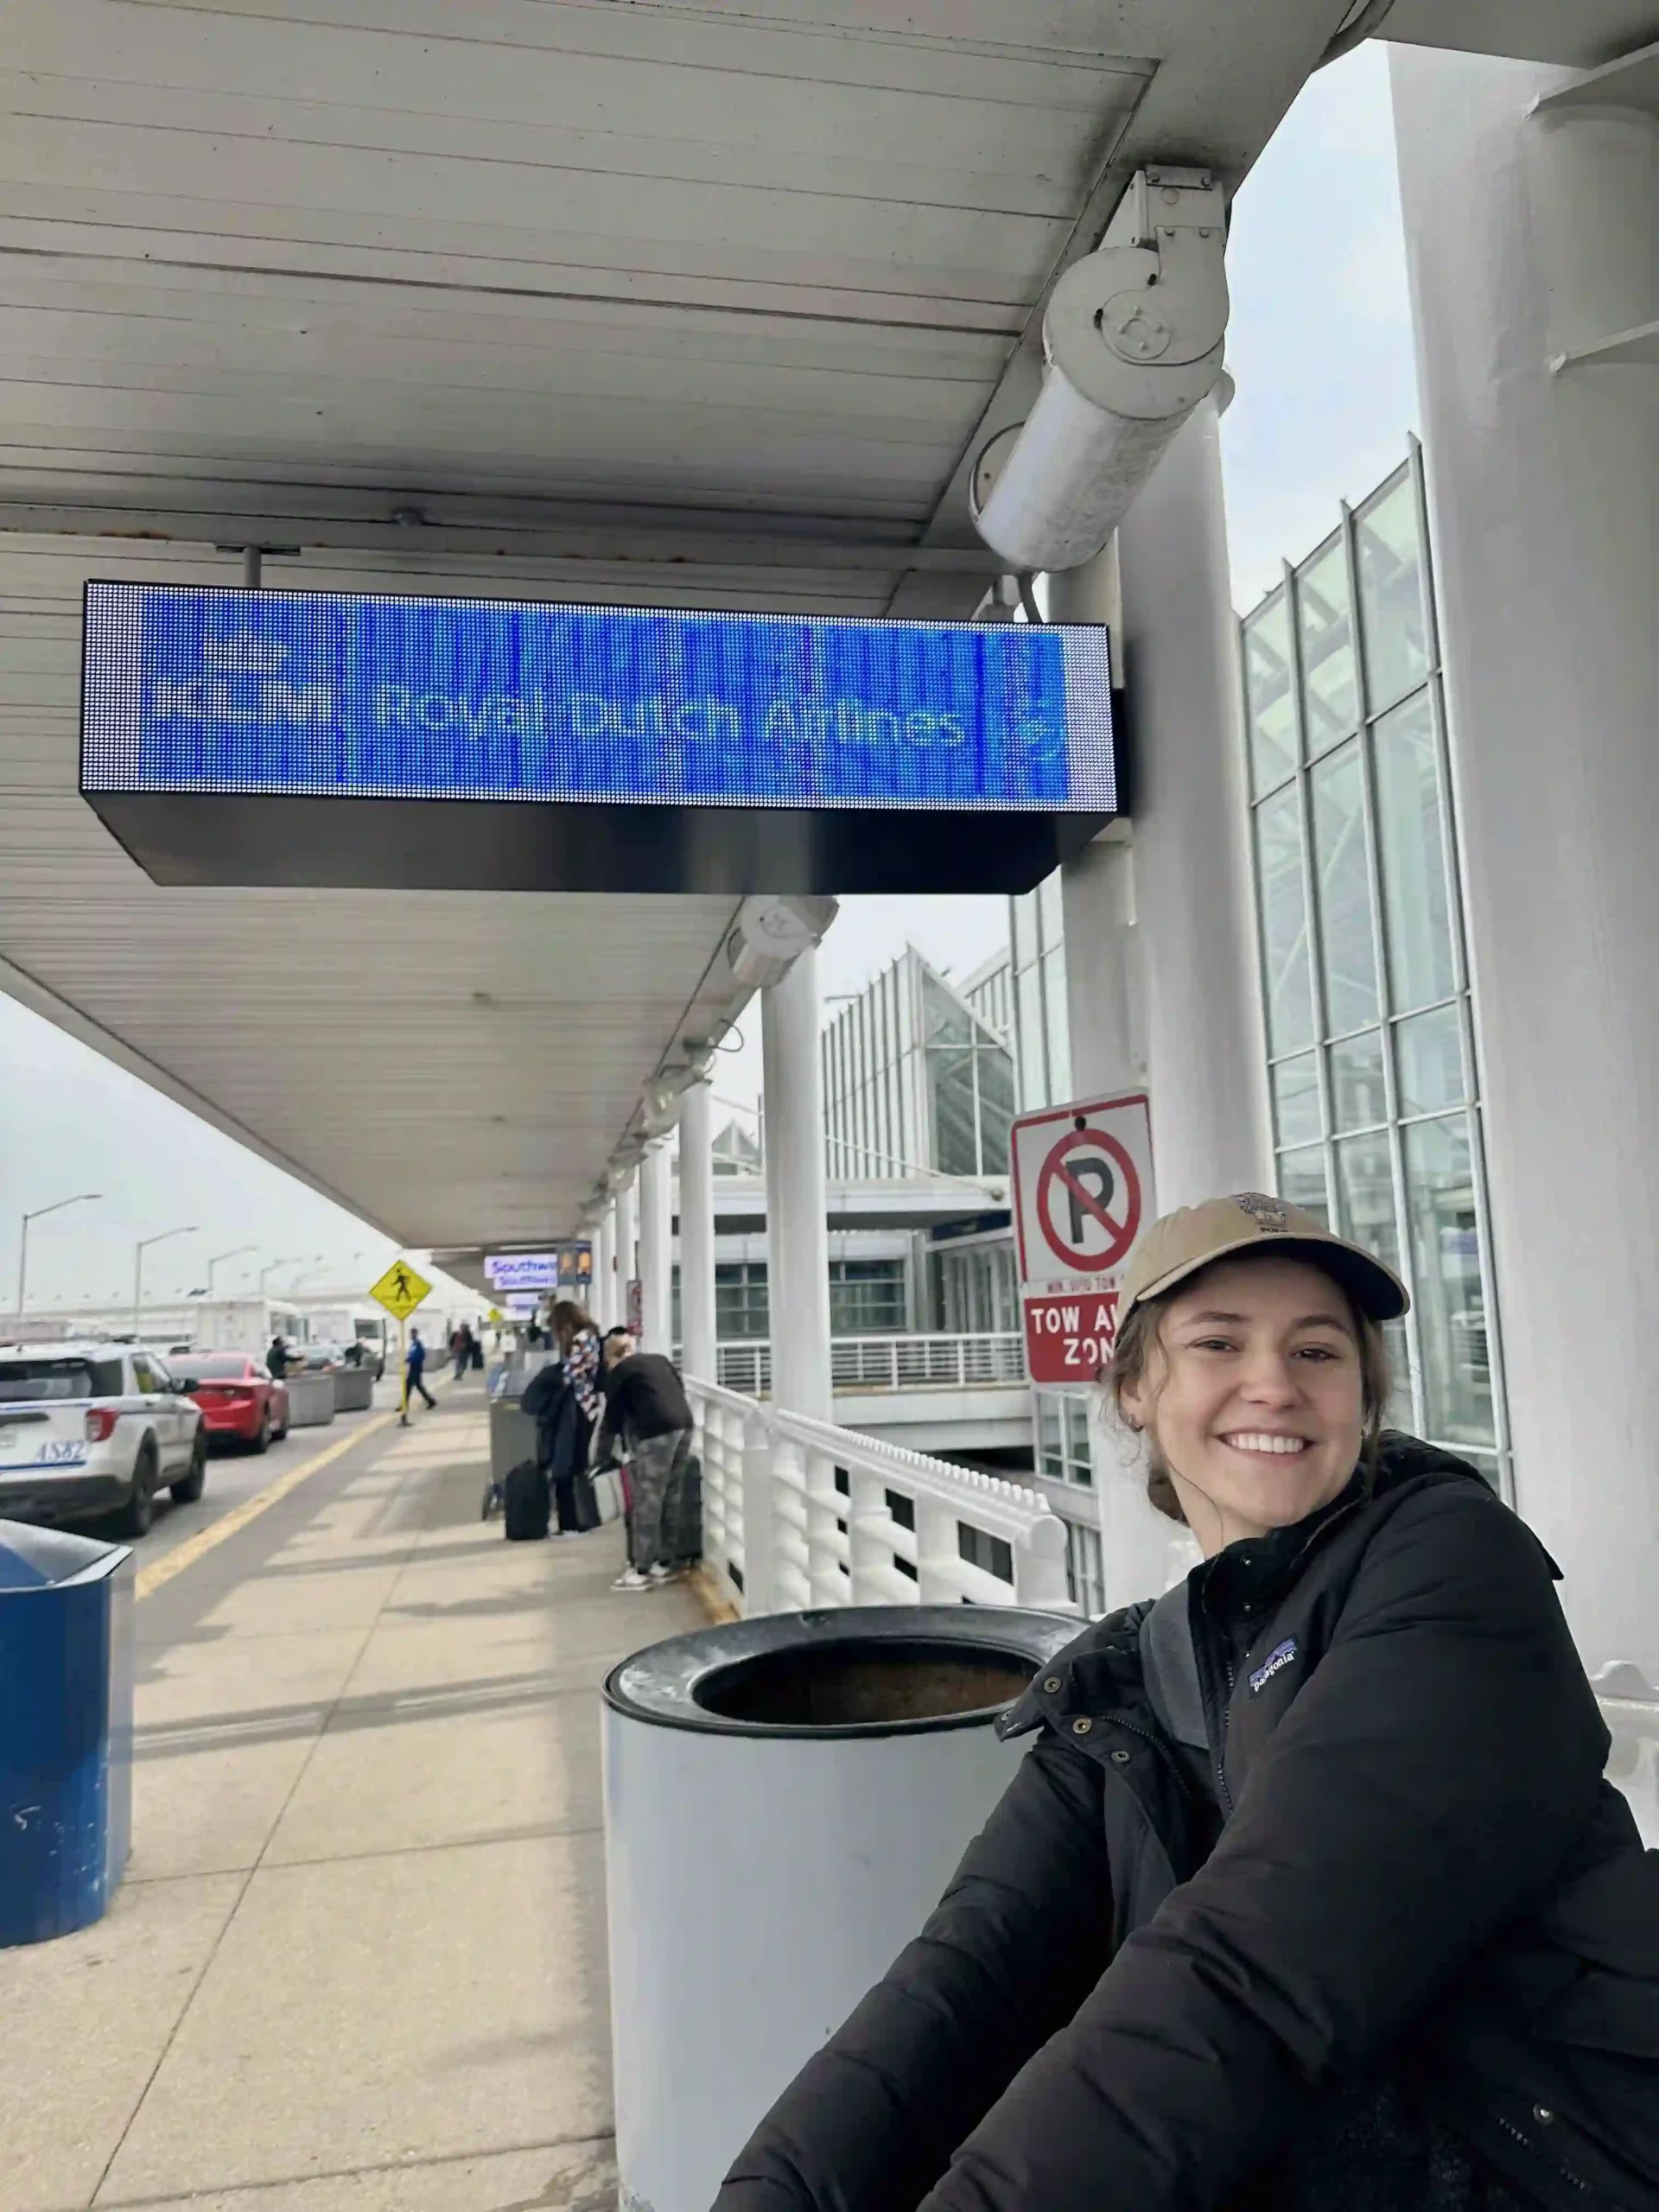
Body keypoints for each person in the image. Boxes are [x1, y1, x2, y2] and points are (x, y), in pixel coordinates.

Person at [714, 1194, 1659, 2212]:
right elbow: (967, 1975)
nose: (1275, 1385)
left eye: (1318, 1352)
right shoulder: (1135, 1676)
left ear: (1365, 1394)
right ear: (1132, 1388)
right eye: (1219, 1341)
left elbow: (1257, 1961)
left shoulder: (1449, 1565)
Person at [594, 1326, 694, 1592]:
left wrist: (600, 1458)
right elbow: (678, 1388)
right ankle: (665, 1563)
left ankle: (641, 1569)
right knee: (671, 1496)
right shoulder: (659, 1360)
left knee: (647, 1501)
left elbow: (611, 1421)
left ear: (610, 1358)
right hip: (684, 1425)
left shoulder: (620, 1372)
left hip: (655, 1433)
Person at [404, 1326, 435, 1412]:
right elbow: (413, 1355)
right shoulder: (413, 1344)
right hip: (413, 1368)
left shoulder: (418, 1344)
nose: (411, 1335)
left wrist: (410, 1360)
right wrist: (408, 1359)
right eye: (411, 1334)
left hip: (416, 1368)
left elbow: (419, 1356)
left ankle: (404, 1405)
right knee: (417, 1386)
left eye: (412, 1334)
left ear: (415, 1334)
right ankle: (431, 1401)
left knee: (408, 1386)